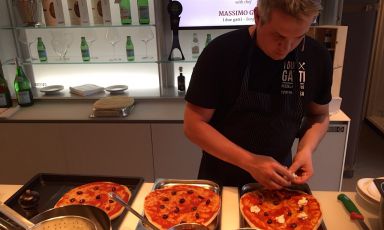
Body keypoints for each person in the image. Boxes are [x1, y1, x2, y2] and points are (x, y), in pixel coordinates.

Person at [184, 0, 332, 189]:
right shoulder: (221, 52)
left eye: (299, 37)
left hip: (278, 180)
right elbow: (193, 125)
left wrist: (306, 149)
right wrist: (250, 162)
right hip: (221, 180)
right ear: (258, 17)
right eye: (278, 36)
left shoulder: (317, 57)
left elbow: (319, 114)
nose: (286, 47)